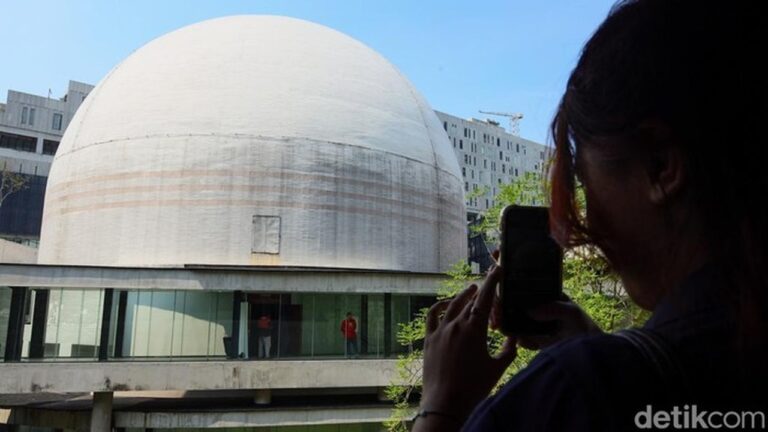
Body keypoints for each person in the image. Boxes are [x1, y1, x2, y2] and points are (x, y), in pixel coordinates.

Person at [414, 0, 767, 430]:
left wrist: (441, 405)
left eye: (584, 182)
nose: (582, 228)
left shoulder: (569, 392)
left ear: (661, 168)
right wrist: (615, 354)